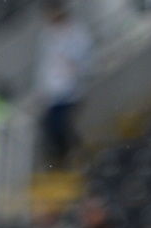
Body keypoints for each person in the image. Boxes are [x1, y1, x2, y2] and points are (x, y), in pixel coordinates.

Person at [35, 3, 91, 166]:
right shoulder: (47, 35)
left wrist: (77, 70)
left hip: (70, 89)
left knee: (61, 125)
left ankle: (73, 154)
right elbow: (43, 66)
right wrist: (41, 89)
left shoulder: (77, 33)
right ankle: (66, 156)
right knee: (53, 127)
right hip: (53, 91)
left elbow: (86, 58)